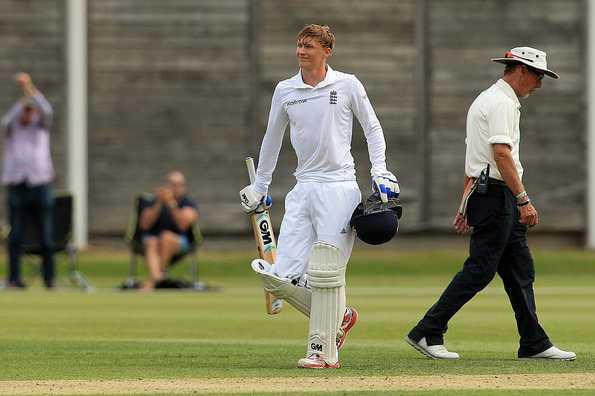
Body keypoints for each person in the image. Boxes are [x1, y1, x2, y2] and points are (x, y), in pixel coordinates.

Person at [239, 24, 399, 369]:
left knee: (326, 273)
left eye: (309, 45)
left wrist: (380, 171)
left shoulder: (347, 84)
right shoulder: (285, 90)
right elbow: (272, 140)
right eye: (298, 44)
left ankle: (322, 351)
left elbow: (372, 127)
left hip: (339, 186)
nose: (301, 51)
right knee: (279, 279)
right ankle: (340, 316)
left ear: (326, 51)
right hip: (303, 187)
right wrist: (261, 188)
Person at [406, 47, 576, 361]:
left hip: (490, 193)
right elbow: (500, 155)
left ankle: (534, 341)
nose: (539, 84)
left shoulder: (492, 99)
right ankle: (428, 330)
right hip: (498, 196)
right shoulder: (501, 103)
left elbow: (476, 159)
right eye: (538, 76)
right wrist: (524, 199)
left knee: (519, 270)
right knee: (481, 269)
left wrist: (464, 203)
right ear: (521, 71)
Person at [1, 72, 55, 289]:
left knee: (46, 235)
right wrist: (21, 104)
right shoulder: (12, 127)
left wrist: (29, 88)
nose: (27, 115)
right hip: (16, 183)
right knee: (15, 235)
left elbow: (47, 110)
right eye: (24, 111)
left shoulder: (41, 127)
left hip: (40, 182)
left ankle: (49, 279)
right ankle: (14, 279)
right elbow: (6, 120)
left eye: (30, 111)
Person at [139, 171, 199, 290]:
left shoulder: (188, 203)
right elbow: (144, 225)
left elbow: (183, 224)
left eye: (178, 185)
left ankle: (152, 280)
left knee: (166, 237)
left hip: (179, 241)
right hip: (153, 241)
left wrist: (171, 203)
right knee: (151, 241)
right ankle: (158, 278)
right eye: (172, 184)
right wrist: (158, 204)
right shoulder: (153, 201)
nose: (175, 188)